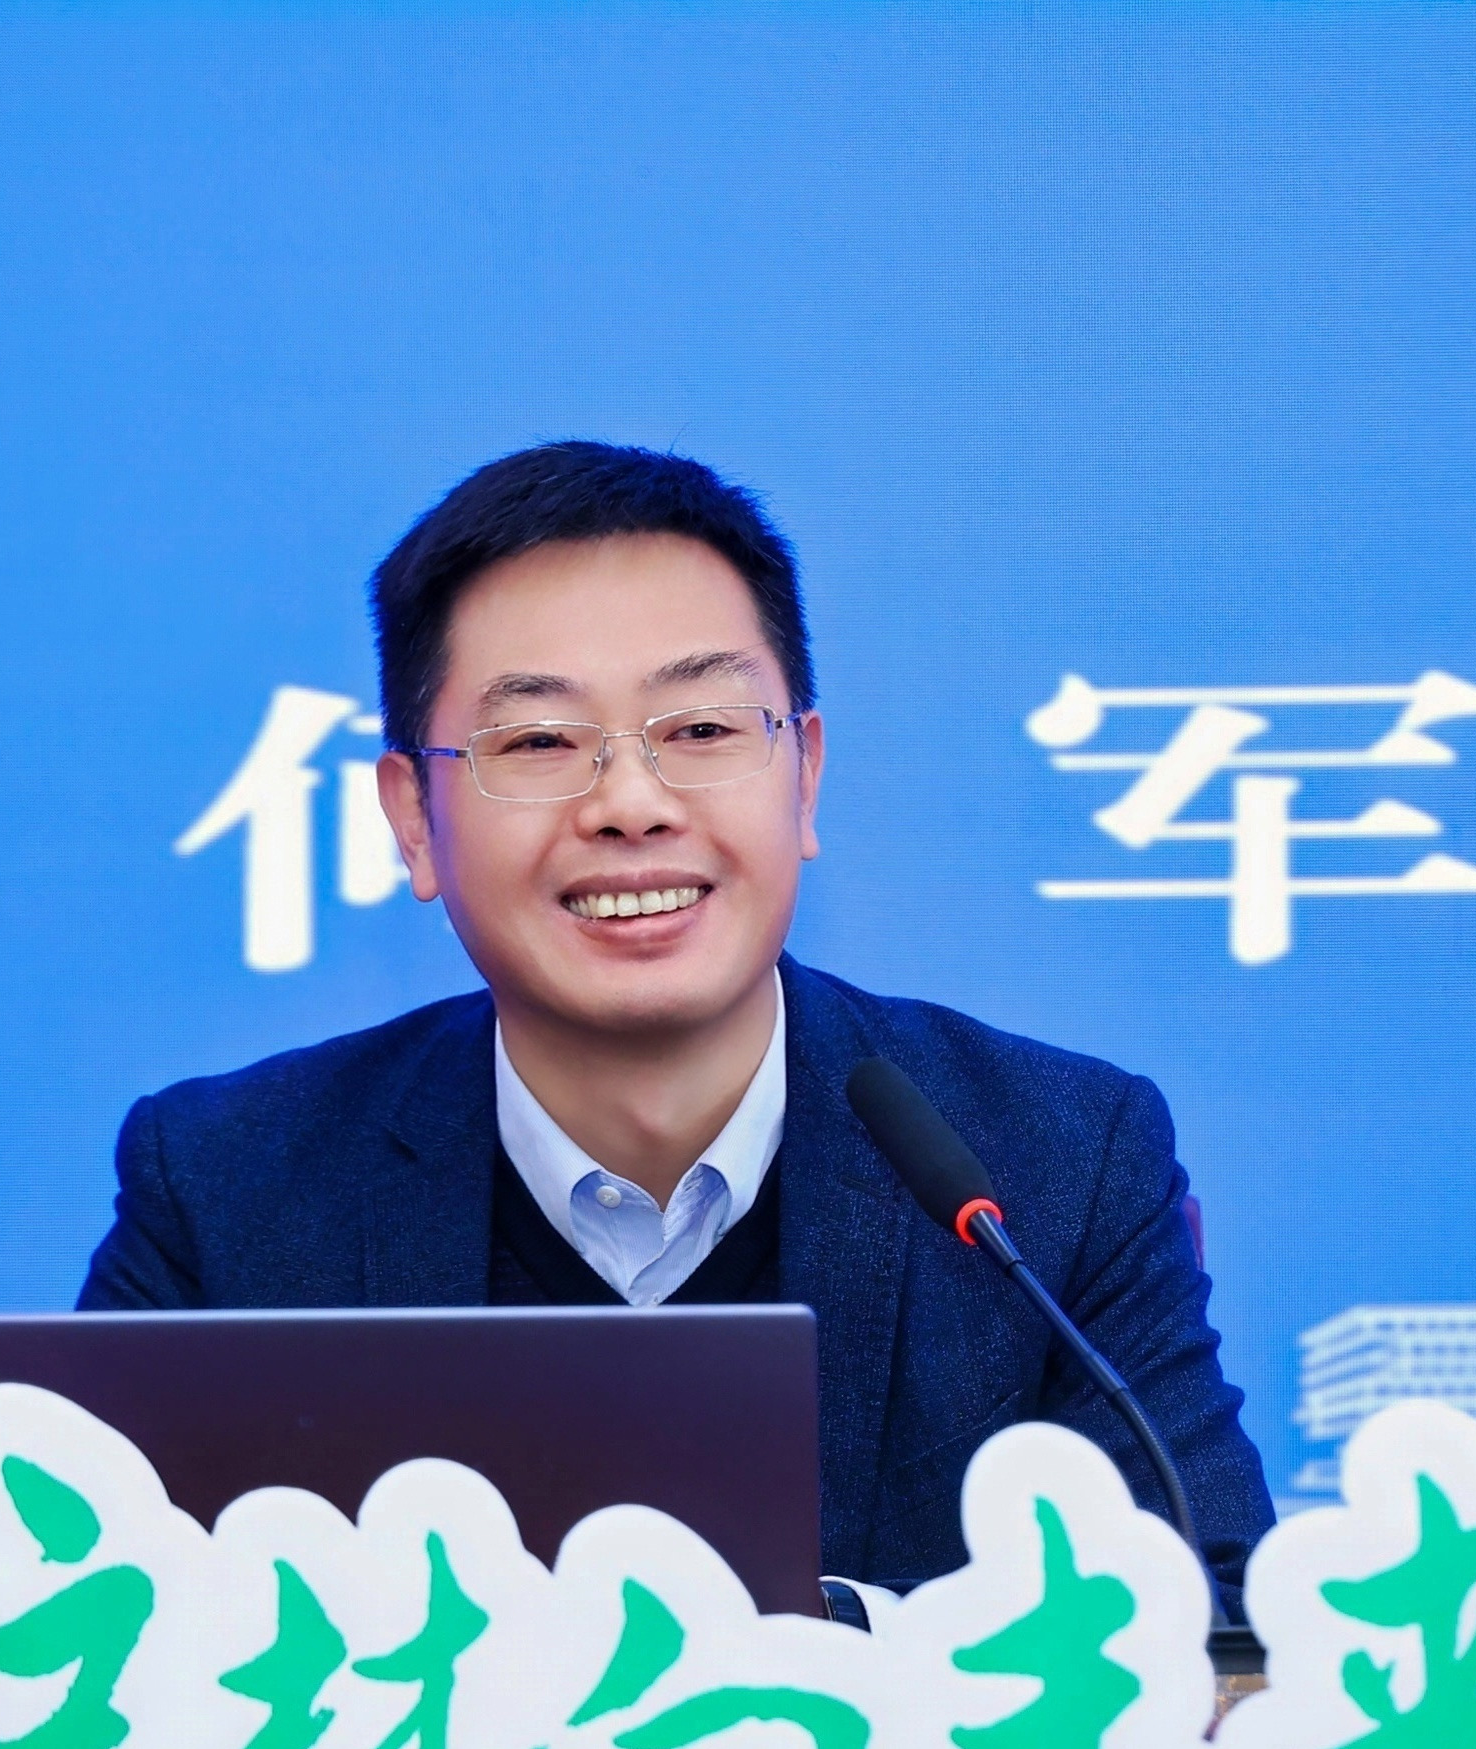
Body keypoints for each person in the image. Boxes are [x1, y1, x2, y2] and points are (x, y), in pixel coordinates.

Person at [79, 441, 1269, 1593]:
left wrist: (819, 1643)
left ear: (803, 775)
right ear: (411, 819)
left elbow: (1207, 1622)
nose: (631, 804)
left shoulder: (1053, 1164)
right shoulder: (228, 1188)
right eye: (538, 741)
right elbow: (52, 1628)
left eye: (699, 731)